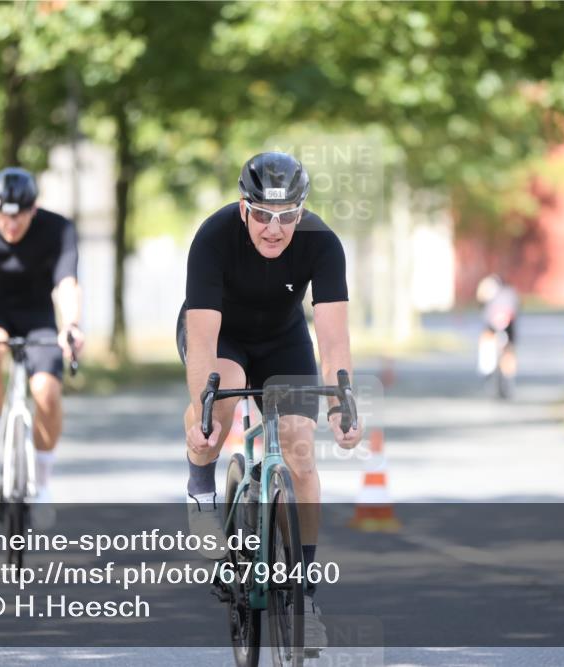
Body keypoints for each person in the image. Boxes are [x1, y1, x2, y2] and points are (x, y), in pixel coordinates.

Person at [177, 151, 362, 649]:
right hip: (221, 339)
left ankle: (304, 592)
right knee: (218, 405)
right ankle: (200, 485)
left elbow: (333, 340)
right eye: (262, 214)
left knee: (299, 446)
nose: (273, 228)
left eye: (286, 216)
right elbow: (202, 342)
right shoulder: (214, 237)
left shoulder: (322, 244)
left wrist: (343, 405)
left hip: (283, 340)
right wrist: (202, 410)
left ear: (301, 212)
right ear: (244, 209)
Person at [0, 167, 84, 503]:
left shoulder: (58, 229)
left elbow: (67, 283)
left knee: (46, 391)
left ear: (33, 209)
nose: (11, 226)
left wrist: (71, 325)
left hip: (38, 316)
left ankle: (42, 482)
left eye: (19, 218)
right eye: (3, 217)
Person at [476, 273, 519, 386]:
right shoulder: (508, 294)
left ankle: (505, 374)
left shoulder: (505, 295)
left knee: (507, 349)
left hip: (505, 326)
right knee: (491, 343)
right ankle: (491, 368)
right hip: (496, 326)